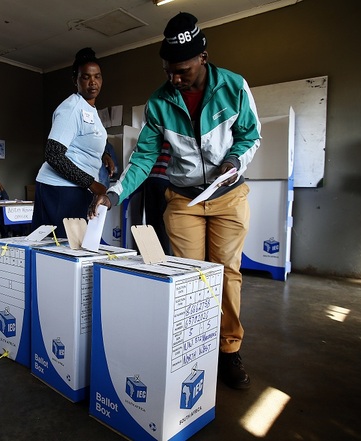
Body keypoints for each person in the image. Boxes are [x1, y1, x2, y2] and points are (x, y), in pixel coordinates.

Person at [89, 12, 261, 389]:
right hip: (183, 197)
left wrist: (233, 161)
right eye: (168, 70)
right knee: (189, 272)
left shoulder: (233, 87)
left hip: (228, 194)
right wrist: (115, 192)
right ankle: (193, 346)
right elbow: (144, 158)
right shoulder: (159, 102)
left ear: (202, 57)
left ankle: (228, 350)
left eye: (181, 70)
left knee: (226, 273)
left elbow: (250, 135)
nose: (174, 78)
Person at [31, 47, 110, 238]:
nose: (93, 82)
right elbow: (53, 154)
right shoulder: (72, 108)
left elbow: (83, 140)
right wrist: (92, 183)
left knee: (80, 246)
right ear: (75, 79)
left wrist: (104, 155)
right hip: (58, 188)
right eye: (86, 77)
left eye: (97, 76)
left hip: (76, 188)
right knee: (62, 249)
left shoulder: (90, 109)